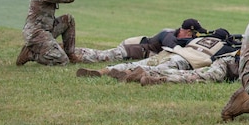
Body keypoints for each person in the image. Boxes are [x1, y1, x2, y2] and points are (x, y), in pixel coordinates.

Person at [76, 28, 237, 82]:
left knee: (146, 62)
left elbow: (175, 40)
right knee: (160, 69)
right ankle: (131, 75)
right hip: (184, 60)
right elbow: (223, 59)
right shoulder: (224, 47)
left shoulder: (197, 39)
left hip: (169, 52)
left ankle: (107, 70)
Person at [16, 0, 84, 66]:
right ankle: (30, 53)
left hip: (46, 28)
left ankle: (71, 54)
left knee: (68, 19)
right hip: (36, 33)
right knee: (62, 61)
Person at [72, 18, 210, 65]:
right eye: (192, 34)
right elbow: (172, 45)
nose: (193, 37)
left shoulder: (178, 36)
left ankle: (72, 51)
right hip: (132, 48)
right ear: (186, 31)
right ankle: (72, 54)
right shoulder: (167, 34)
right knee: (101, 56)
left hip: (138, 51)